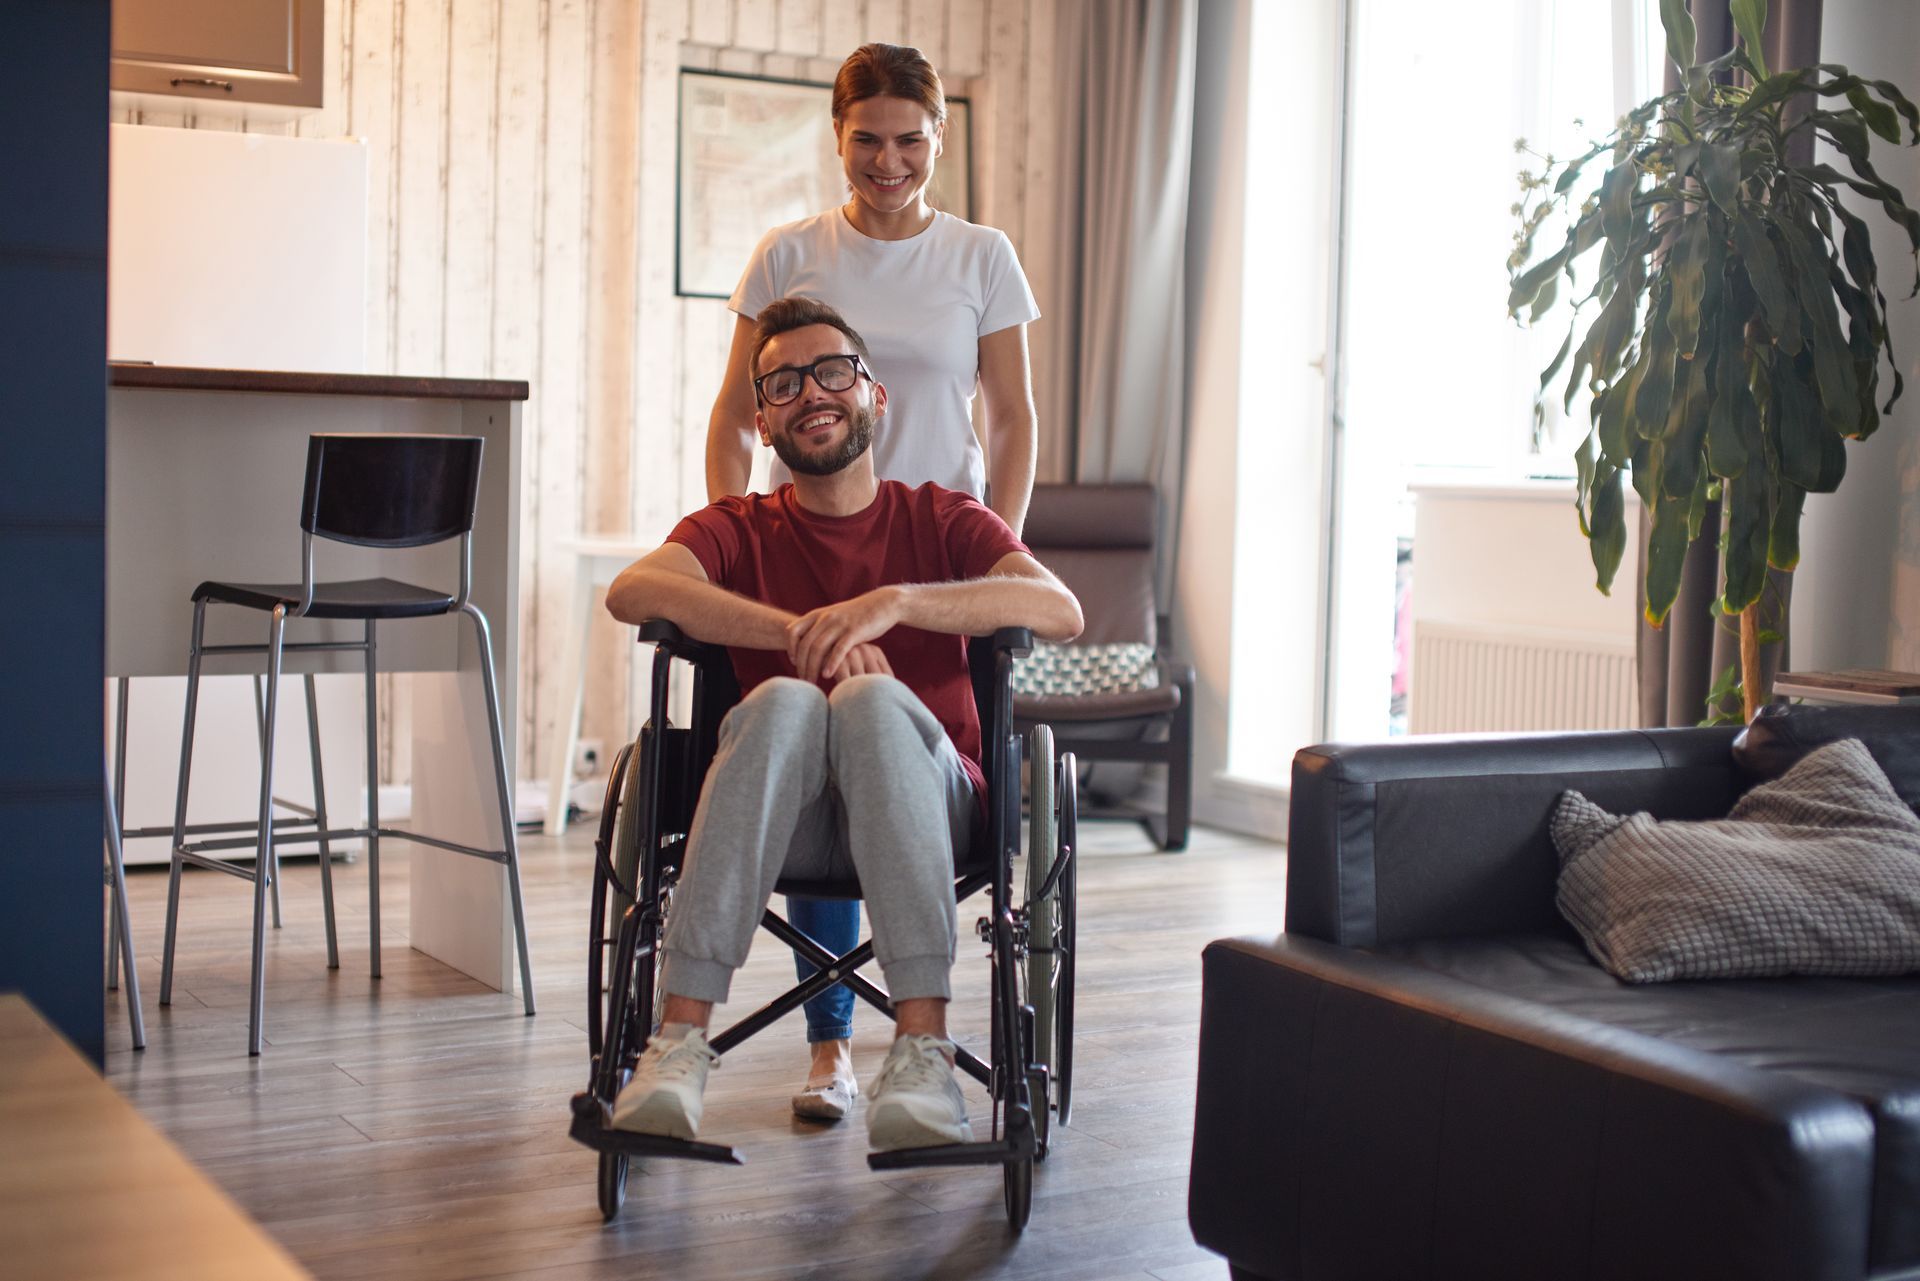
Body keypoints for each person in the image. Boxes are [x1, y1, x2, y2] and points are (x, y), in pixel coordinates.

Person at [605, 297, 1079, 1150]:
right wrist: (796, 634)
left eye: (833, 371)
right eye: (783, 383)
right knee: (786, 697)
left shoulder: (939, 517)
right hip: (786, 821)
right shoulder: (741, 528)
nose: (810, 393)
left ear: (876, 395)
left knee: (868, 700)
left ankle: (924, 1047)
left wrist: (892, 605)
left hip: (934, 809)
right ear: (762, 419)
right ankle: (676, 1046)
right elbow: (633, 590)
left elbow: (1059, 607)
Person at [705, 41, 1043, 1120]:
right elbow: (731, 414)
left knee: (890, 752)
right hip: (807, 543)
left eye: (910, 141)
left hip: (933, 556)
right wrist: (730, 526)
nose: (888, 163)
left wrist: (998, 561)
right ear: (838, 138)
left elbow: (1012, 418)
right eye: (867, 142)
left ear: (938, 138)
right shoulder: (788, 254)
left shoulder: (981, 255)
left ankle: (918, 1038)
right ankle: (828, 1044)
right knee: (812, 746)